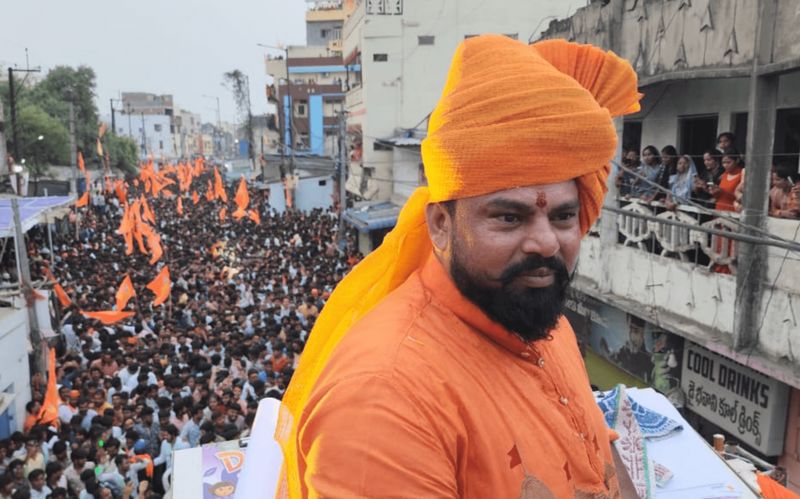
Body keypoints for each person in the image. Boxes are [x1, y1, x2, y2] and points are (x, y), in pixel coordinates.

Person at [275, 35, 641, 497]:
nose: (547, 243)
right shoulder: (384, 401)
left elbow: (597, 449)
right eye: (509, 217)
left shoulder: (546, 324)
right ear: (441, 225)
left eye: (563, 216)